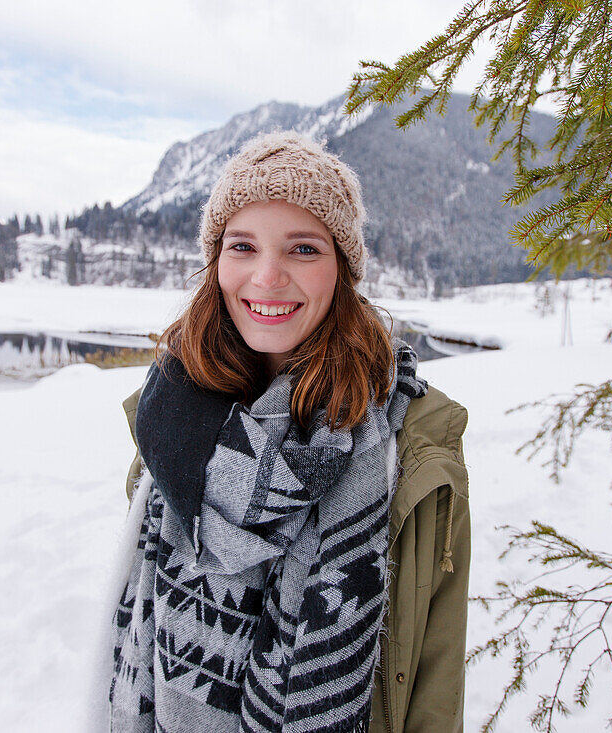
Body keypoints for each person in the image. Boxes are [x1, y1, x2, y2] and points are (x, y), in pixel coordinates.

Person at [97, 131, 470, 733]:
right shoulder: (169, 416)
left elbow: (433, 670)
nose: (266, 279)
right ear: (216, 261)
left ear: (342, 271)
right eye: (242, 246)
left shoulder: (418, 437)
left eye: (302, 250)